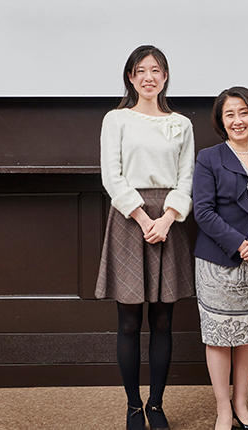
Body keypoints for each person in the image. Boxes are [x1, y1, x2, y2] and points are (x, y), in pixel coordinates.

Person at [95, 45, 195, 430]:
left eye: (155, 70)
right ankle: (133, 406)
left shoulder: (181, 123)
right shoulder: (116, 119)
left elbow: (186, 178)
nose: (148, 77)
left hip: (169, 222)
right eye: (140, 71)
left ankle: (156, 404)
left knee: (164, 320)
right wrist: (141, 217)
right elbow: (112, 175)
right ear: (131, 78)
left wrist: (167, 219)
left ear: (165, 77)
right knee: (128, 321)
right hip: (128, 219)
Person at [192, 86, 248, 430]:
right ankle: (223, 409)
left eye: (244, 112)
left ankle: (241, 405)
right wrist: (242, 246)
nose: (237, 120)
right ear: (221, 120)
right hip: (218, 260)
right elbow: (203, 211)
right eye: (229, 114)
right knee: (217, 337)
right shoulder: (209, 157)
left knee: (247, 335)